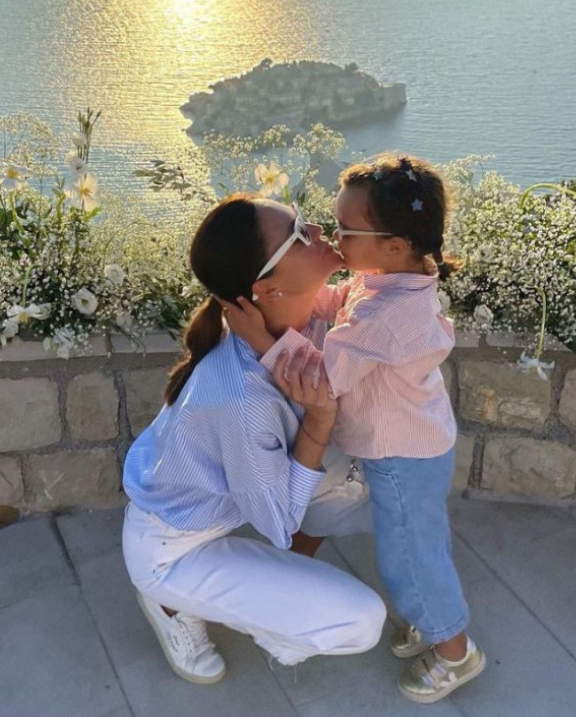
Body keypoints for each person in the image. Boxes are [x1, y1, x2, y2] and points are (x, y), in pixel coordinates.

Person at [225, 154, 485, 705]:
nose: (334, 235)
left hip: (402, 457)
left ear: (393, 245)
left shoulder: (388, 315)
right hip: (412, 443)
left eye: (346, 230)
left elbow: (324, 379)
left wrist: (262, 340)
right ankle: (429, 619)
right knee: (415, 545)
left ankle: (454, 650)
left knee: (409, 558)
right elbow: (340, 305)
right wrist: (293, 291)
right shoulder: (388, 281)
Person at [121, 194, 386, 684]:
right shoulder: (241, 398)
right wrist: (319, 420)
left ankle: (270, 587)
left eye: (304, 218)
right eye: (300, 233)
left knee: (371, 479)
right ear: (268, 287)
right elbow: (278, 521)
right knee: (361, 620)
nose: (318, 231)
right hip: (172, 551)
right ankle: (171, 603)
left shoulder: (297, 320)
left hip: (215, 499)